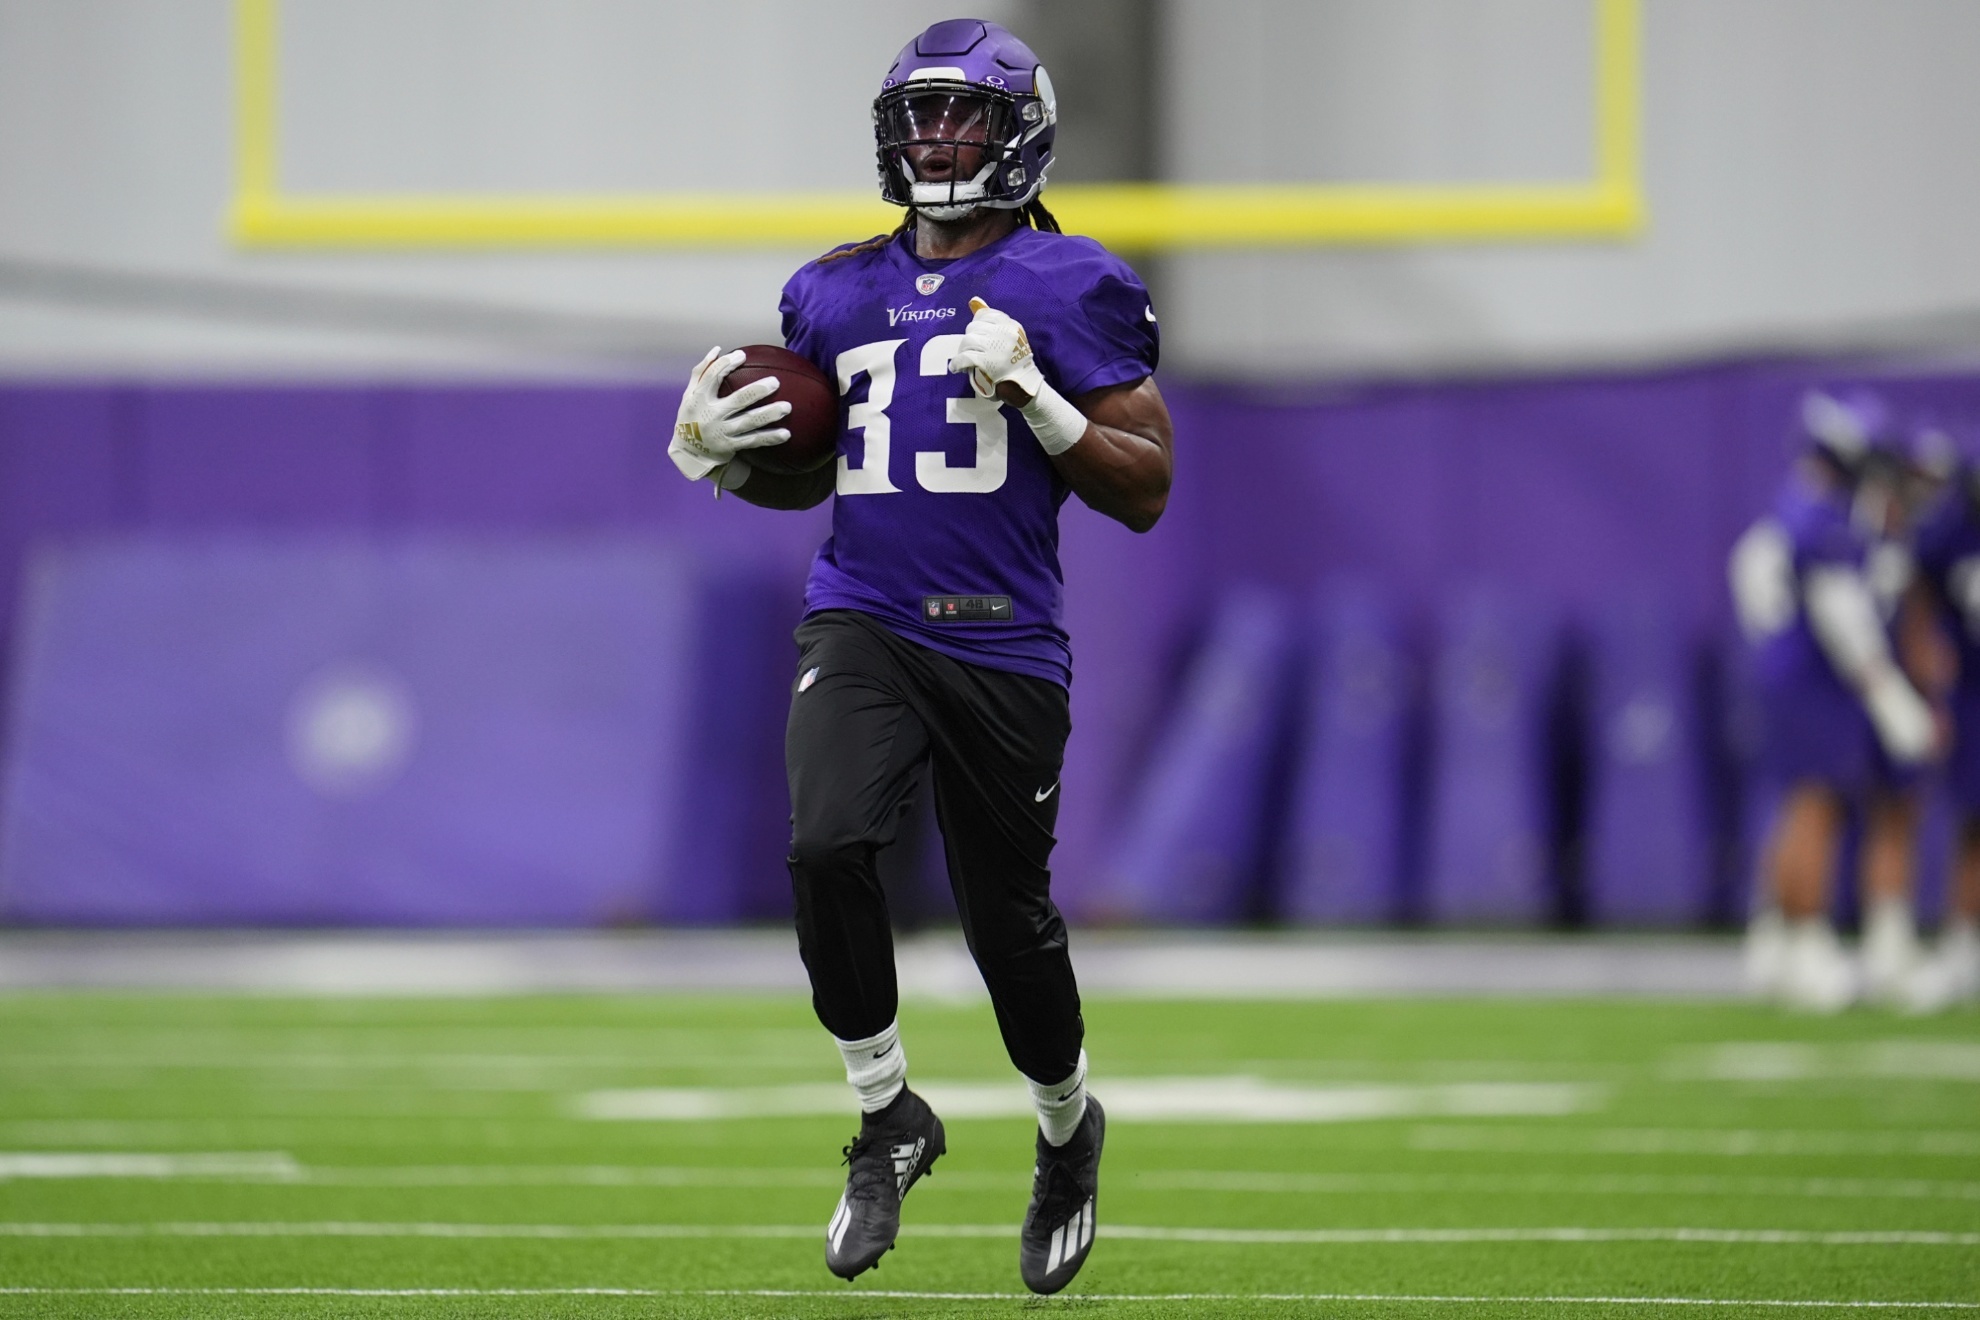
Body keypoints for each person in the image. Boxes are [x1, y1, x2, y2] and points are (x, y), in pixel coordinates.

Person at [666, 18, 1171, 1294]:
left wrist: (1043, 400)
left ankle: (1065, 1131)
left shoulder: (1074, 285)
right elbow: (820, 478)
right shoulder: (832, 290)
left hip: (1004, 642)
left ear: (1021, 138)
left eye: (966, 118)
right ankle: (889, 1114)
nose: (940, 140)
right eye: (922, 119)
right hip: (866, 616)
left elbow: (1147, 487)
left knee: (1009, 928)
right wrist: (720, 458)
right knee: (828, 842)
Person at [1729, 390, 1939, 1011]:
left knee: (1809, 805)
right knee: (1813, 806)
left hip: (1801, 675)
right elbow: (1841, 618)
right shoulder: (1819, 515)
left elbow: (1753, 575)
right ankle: (1807, 941)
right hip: (1813, 678)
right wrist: (1887, 692)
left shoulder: (1806, 508)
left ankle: (1783, 941)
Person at [1899, 440, 1980, 1009]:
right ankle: (1961, 943)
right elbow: (1916, 600)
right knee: (1973, 820)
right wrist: (1930, 671)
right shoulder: (1950, 530)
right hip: (1974, 693)